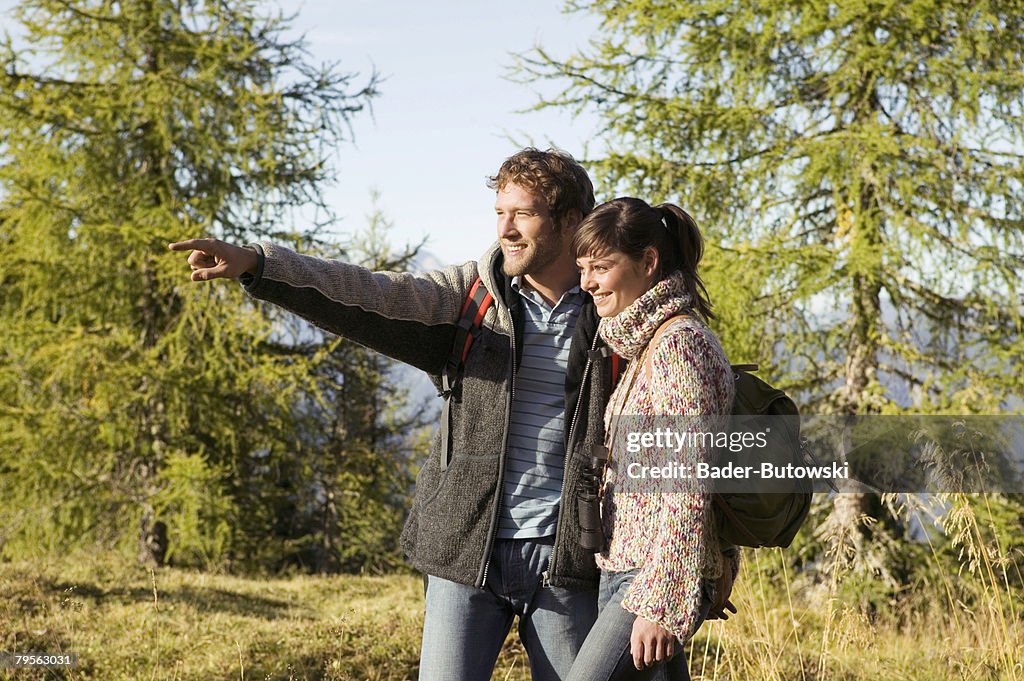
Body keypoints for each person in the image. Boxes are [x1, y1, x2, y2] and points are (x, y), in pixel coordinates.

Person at [169, 148, 614, 681]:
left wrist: (703, 565)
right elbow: (368, 292)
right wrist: (259, 265)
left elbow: (685, 425)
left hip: (568, 561)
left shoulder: (615, 312)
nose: (506, 229)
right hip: (463, 552)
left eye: (523, 214)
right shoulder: (470, 297)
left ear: (570, 221)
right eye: (500, 212)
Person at [568, 197, 740, 681]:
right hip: (625, 565)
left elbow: (689, 485)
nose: (588, 283)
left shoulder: (678, 347)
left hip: (650, 576)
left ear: (648, 262)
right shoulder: (648, 345)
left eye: (601, 267)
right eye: (583, 268)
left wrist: (663, 600)